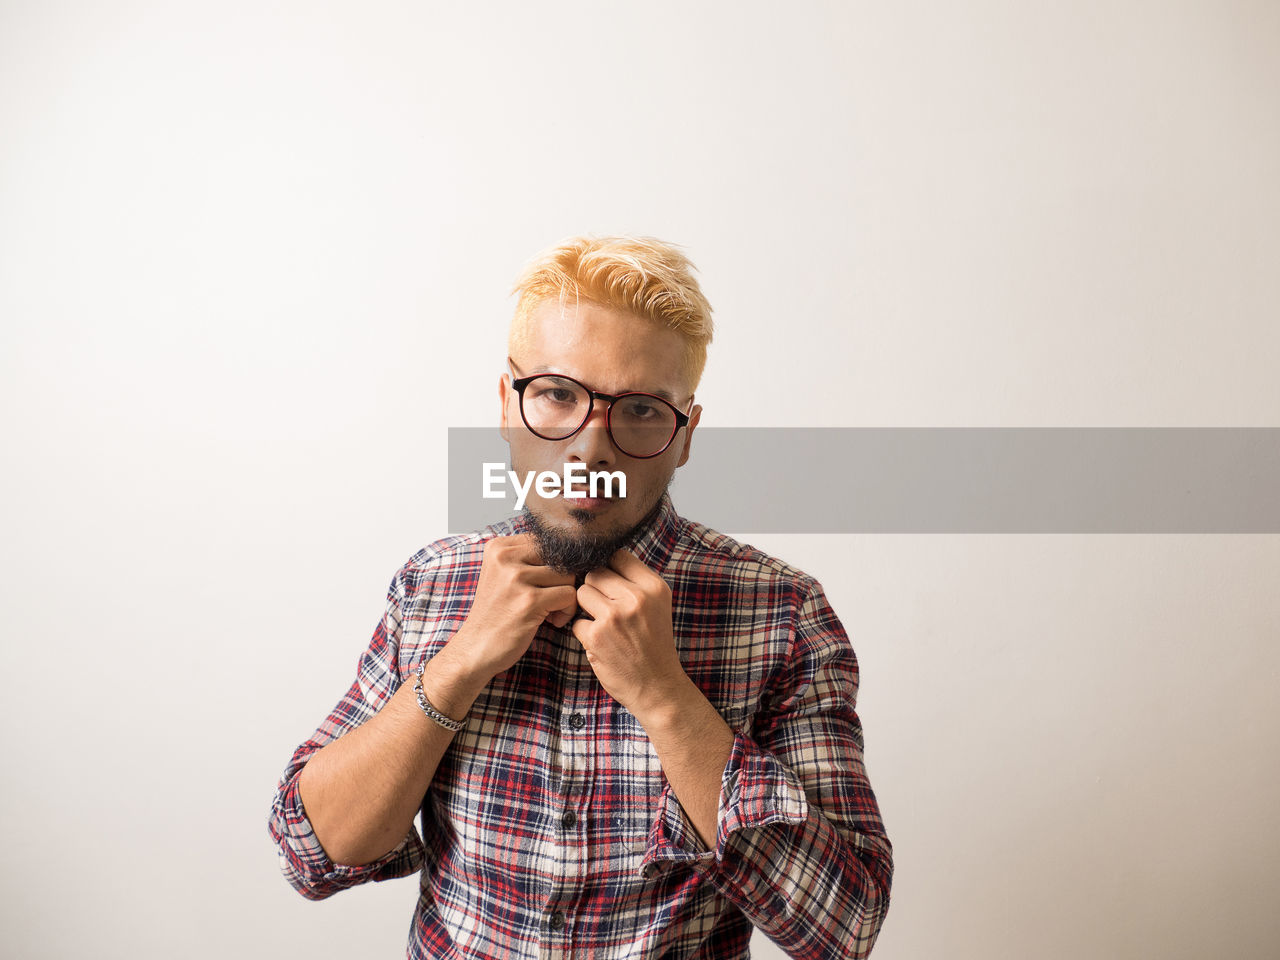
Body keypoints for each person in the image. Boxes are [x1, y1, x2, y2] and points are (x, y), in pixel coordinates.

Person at [268, 235, 893, 959]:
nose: (591, 448)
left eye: (638, 411)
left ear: (684, 435)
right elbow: (307, 855)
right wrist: (461, 662)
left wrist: (667, 698)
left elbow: (846, 926)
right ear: (508, 405)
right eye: (559, 395)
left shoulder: (781, 614)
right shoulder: (432, 584)